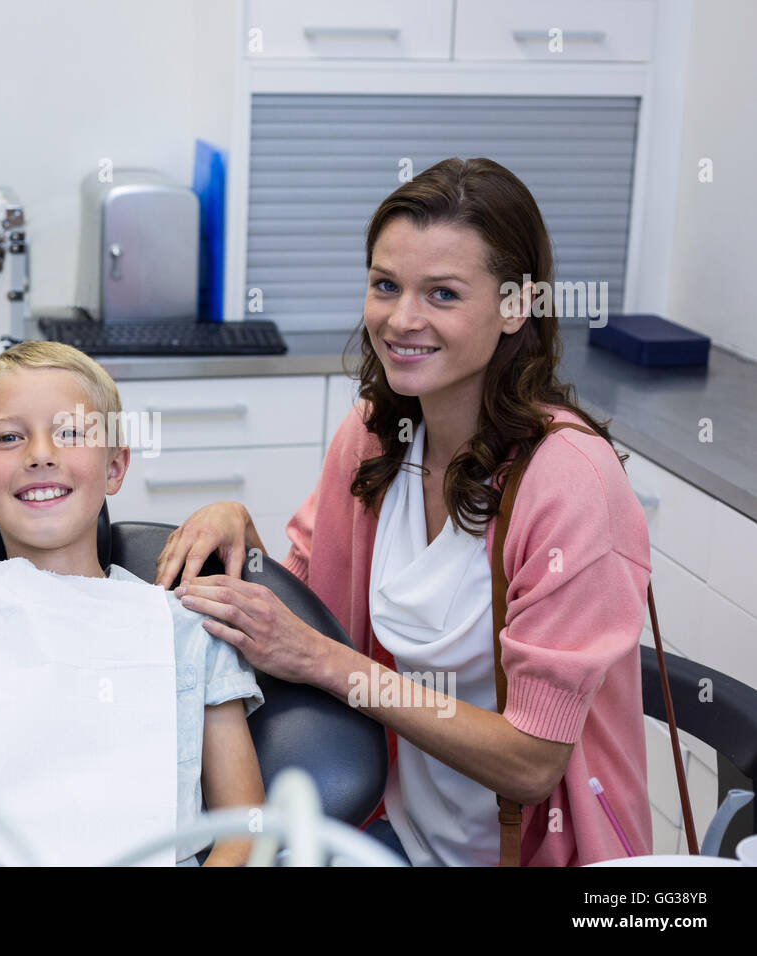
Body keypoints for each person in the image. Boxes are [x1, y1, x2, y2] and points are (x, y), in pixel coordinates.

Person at [156, 158, 653, 867]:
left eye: (443, 294)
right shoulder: (376, 435)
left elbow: (533, 763)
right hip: (397, 830)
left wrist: (331, 665)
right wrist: (240, 530)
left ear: (516, 307)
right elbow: (309, 616)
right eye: (385, 285)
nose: (401, 319)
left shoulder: (570, 485)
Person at [0, 342, 265, 866]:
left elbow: (246, 830)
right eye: (9, 437)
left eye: (71, 433)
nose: (39, 453)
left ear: (115, 466)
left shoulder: (186, 628)